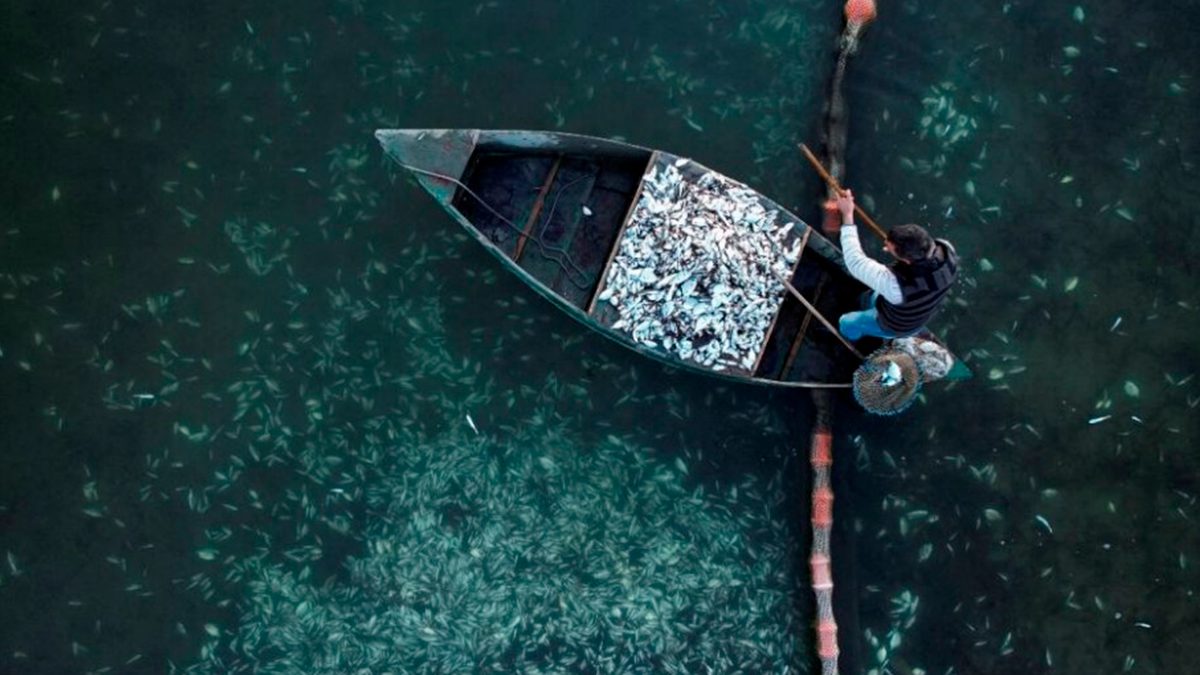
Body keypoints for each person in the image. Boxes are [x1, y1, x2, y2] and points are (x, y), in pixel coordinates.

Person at [828, 189, 959, 341]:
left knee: (846, 322)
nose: (886, 246)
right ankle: (866, 305)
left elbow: (855, 262)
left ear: (907, 260)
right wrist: (895, 248)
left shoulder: (895, 286)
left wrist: (848, 214)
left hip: (896, 325)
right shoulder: (947, 250)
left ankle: (850, 338)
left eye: (890, 248)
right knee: (870, 297)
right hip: (917, 309)